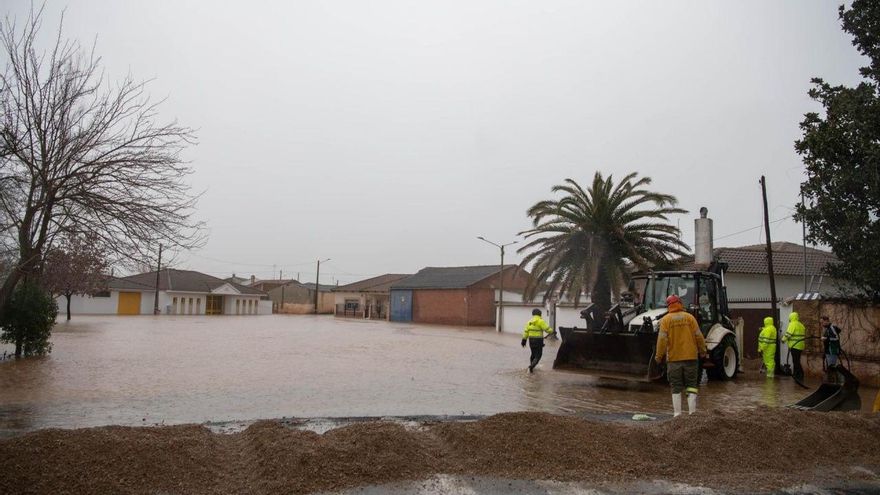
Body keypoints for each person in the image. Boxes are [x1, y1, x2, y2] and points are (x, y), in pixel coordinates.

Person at [655, 294, 708, 417]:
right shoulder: (690, 318)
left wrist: (658, 357)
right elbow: (699, 336)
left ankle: (677, 414)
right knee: (691, 386)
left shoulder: (666, 320)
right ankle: (692, 413)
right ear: (680, 303)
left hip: (674, 360)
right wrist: (702, 351)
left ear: (668, 305)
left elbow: (662, 340)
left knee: (676, 387)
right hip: (691, 358)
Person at [522, 308, 553, 373]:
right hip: (538, 340)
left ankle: (532, 367)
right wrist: (552, 331)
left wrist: (524, 340)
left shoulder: (529, 322)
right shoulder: (541, 321)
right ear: (540, 314)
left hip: (531, 340)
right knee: (538, 355)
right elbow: (547, 329)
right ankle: (531, 367)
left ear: (533, 314)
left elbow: (526, 332)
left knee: (533, 354)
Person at [782, 312, 806, 382]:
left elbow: (788, 334)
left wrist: (783, 339)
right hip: (800, 345)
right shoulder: (801, 325)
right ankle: (797, 374)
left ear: (791, 317)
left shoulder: (792, 324)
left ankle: (799, 375)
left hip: (795, 345)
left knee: (795, 361)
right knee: (797, 360)